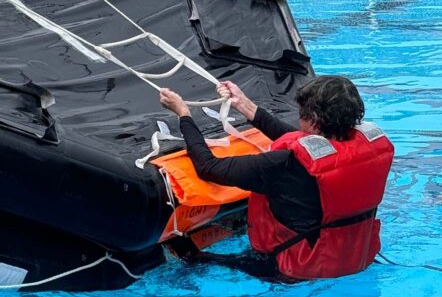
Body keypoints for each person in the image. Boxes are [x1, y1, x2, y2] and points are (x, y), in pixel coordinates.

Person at [158, 76, 394, 281]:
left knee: (193, 256)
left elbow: (209, 167)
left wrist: (183, 115)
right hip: (357, 257)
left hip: (299, 269)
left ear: (311, 120)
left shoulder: (283, 166)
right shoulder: (368, 149)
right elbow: (304, 142)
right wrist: (246, 106)